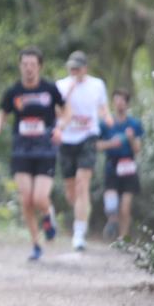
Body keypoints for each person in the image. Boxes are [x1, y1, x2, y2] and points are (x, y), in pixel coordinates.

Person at [0, 46, 67, 261]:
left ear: (39, 66)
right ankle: (35, 244)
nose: (28, 69)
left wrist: (60, 128)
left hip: (45, 148)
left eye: (32, 65)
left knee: (40, 197)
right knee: (26, 199)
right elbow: (2, 115)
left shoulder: (49, 89)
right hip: (21, 149)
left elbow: (66, 111)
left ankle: (48, 216)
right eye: (25, 65)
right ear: (20, 66)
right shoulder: (14, 92)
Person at [55, 51, 112, 252]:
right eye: (71, 68)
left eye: (78, 68)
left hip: (88, 136)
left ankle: (79, 233)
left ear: (85, 68)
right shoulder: (61, 86)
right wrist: (68, 91)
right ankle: (81, 212)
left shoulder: (97, 85)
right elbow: (58, 112)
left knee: (82, 184)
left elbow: (103, 107)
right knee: (71, 191)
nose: (74, 72)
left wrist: (107, 117)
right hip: (67, 139)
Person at [97, 89, 144, 241]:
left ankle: (123, 239)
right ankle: (112, 221)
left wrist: (130, 139)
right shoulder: (105, 124)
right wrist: (111, 144)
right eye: (116, 100)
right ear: (112, 102)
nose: (119, 103)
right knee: (111, 206)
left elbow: (137, 149)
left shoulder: (135, 124)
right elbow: (96, 146)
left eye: (122, 100)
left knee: (125, 207)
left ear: (127, 103)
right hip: (112, 166)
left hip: (128, 166)